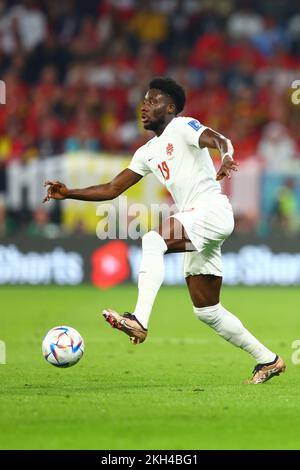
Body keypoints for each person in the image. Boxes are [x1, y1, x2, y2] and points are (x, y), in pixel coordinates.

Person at [43, 77, 286, 384]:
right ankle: (269, 360)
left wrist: (225, 158)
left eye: (153, 101)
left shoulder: (183, 127)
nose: (145, 106)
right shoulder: (147, 151)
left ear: (170, 108)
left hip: (211, 209)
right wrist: (69, 193)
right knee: (207, 310)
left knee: (153, 240)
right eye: (144, 101)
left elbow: (222, 140)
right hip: (195, 218)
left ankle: (139, 319)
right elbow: (112, 188)